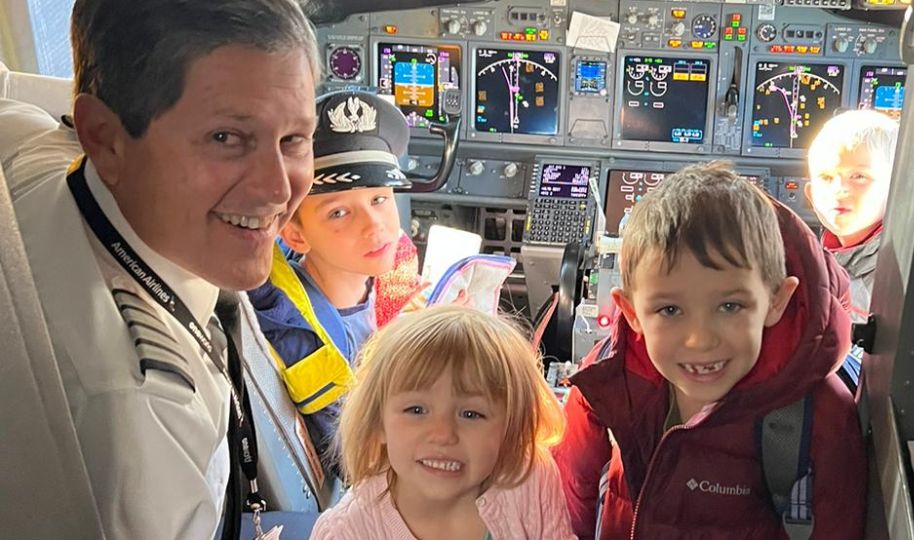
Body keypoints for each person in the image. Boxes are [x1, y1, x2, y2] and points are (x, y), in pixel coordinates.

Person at [6, 1, 319, 537]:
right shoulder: (142, 421)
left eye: (293, 139)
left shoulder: (27, 144)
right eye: (226, 138)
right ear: (104, 138)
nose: (279, 188)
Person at [552, 161, 866, 539]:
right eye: (670, 310)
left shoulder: (816, 417)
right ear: (631, 313)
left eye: (730, 306)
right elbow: (570, 492)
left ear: (776, 301)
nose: (699, 339)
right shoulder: (608, 378)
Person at [248, 89, 425, 474]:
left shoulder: (389, 279)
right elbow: (363, 463)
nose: (374, 225)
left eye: (380, 199)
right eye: (340, 212)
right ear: (295, 235)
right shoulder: (300, 333)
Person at [310, 306, 574, 540]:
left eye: (471, 414)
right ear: (378, 421)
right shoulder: (346, 532)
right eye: (416, 410)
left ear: (510, 427)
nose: (442, 434)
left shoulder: (528, 479)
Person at [805, 109, 899, 324]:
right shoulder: (828, 257)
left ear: (896, 188)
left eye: (858, 176)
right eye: (826, 177)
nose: (839, 189)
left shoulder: (895, 278)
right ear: (810, 194)